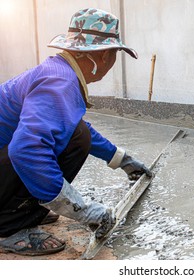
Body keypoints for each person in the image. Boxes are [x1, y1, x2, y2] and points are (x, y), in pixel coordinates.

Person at [0, 8, 152, 256]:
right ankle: (8, 225)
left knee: (77, 134)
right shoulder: (59, 82)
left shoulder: (58, 72)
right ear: (103, 55)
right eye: (115, 55)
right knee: (50, 146)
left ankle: (26, 209)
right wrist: (82, 210)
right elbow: (26, 150)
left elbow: (75, 129)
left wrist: (121, 159)